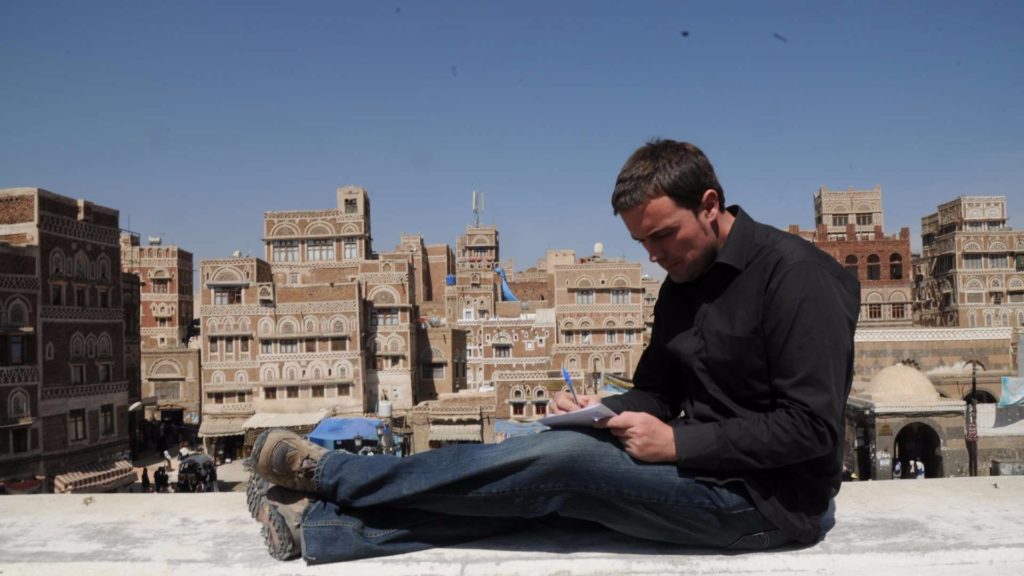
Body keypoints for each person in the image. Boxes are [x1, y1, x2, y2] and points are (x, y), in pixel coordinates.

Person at [246, 139, 861, 564]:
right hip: (699, 471)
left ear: (709, 204)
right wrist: (600, 410)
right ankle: (319, 528)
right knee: (539, 469)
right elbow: (660, 391)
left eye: (662, 236)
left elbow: (812, 430)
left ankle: (329, 475)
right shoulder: (683, 279)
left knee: (562, 469)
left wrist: (679, 444)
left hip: (765, 504)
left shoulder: (797, 278)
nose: (654, 255)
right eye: (642, 243)